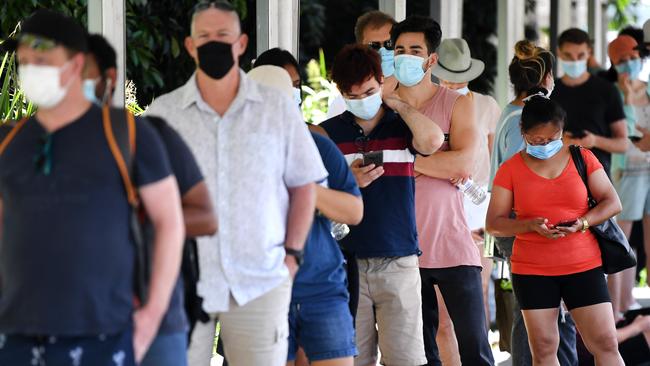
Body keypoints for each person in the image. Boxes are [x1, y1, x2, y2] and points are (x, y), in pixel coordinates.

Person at [145, 2, 327, 365]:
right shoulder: (163, 114)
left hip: (261, 279)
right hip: (181, 281)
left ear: (242, 43)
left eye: (223, 36)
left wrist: (292, 255)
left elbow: (305, 185)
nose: (214, 44)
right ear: (190, 46)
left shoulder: (276, 108)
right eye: (205, 37)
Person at [0, 9, 185, 365]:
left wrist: (150, 317)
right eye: (24, 61)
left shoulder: (128, 134)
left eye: (42, 59)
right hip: (17, 335)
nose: (31, 69)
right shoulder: (10, 141)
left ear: (76, 64)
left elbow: (170, 222)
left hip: (102, 333)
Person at [83, 33, 218, 366]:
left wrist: (142, 215)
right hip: (69, 319)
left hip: (152, 315)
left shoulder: (150, 135)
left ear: (108, 80)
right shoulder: (33, 145)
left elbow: (205, 217)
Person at [321, 44, 444, 366]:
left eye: (370, 91)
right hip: (347, 262)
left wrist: (399, 106)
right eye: (353, 95)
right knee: (353, 358)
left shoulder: (403, 126)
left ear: (381, 81)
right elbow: (312, 195)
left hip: (398, 258)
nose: (362, 100)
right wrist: (348, 181)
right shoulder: (327, 133)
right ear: (341, 92)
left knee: (406, 359)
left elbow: (433, 141)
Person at [486, 94, 624, 365]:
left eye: (553, 138)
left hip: (583, 264)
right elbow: (494, 223)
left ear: (562, 131)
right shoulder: (510, 169)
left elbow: (612, 202)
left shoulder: (581, 157)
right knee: (544, 348)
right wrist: (528, 225)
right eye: (537, 141)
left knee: (605, 342)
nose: (546, 145)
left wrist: (583, 222)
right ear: (523, 133)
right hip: (533, 269)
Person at [389, 15, 494, 366]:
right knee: (419, 353)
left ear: (431, 59)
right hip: (400, 251)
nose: (405, 56)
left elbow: (461, 165)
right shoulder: (382, 105)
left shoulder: (457, 104)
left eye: (414, 50)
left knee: (475, 347)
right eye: (399, 49)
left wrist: (401, 161)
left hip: (453, 245)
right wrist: (438, 157)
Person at [250, 55, 364, 366]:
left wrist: (307, 188)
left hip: (321, 288)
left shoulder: (319, 146)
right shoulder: (233, 151)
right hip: (261, 292)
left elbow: (354, 212)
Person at [489, 40, 580, 366]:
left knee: (538, 310)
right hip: (526, 223)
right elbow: (525, 181)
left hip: (522, 223)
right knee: (542, 314)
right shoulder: (522, 123)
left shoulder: (512, 113)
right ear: (546, 79)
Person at [427, 37, 500, 365]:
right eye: (447, 75)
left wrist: (493, 215)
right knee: (442, 312)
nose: (454, 82)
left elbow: (493, 161)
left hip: (479, 206)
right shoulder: (426, 104)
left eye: (460, 76)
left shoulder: (485, 105)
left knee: (477, 300)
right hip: (440, 204)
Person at [606, 34, 650, 319]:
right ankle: (617, 306)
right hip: (625, 171)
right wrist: (626, 95)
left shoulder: (647, 89)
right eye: (623, 60)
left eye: (633, 58)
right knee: (622, 240)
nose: (630, 64)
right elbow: (629, 137)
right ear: (613, 63)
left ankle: (629, 300)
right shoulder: (611, 93)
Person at [551, 28, 627, 176]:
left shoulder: (606, 90)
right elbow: (534, 140)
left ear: (589, 53)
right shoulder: (549, 92)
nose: (575, 61)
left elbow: (623, 144)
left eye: (580, 55)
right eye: (568, 55)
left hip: (598, 180)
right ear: (558, 52)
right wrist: (560, 142)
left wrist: (594, 141)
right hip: (558, 178)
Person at [327, 10, 398, 118]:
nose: (383, 51)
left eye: (390, 44)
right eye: (374, 45)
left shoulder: (415, 91)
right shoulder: (345, 101)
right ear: (361, 48)